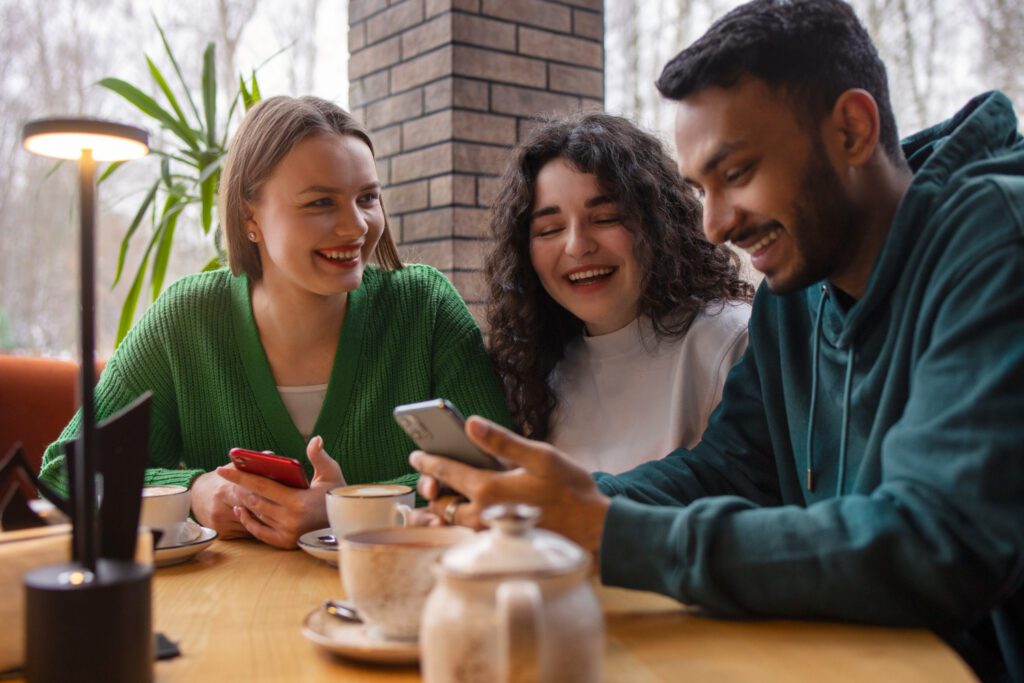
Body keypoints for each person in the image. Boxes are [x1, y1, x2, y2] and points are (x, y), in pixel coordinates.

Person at [409, 1, 1024, 679]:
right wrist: (557, 500)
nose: (714, 225)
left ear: (852, 129)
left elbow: (937, 541)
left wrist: (611, 532)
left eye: (736, 174)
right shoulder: (794, 292)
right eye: (702, 187)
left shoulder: (995, 241)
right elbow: (731, 468)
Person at [39, 95, 512, 550]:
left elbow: (501, 475)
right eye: (320, 203)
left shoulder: (423, 307)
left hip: (400, 604)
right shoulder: (186, 319)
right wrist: (195, 492)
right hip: (231, 616)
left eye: (367, 198)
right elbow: (63, 472)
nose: (357, 226)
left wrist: (342, 508)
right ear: (250, 217)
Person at [485, 112, 751, 472]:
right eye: (549, 229)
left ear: (660, 224)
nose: (577, 247)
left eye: (606, 218)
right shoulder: (538, 369)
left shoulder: (730, 340)